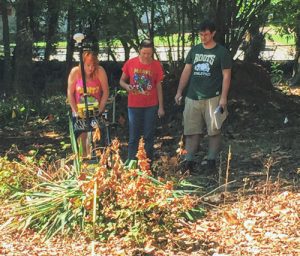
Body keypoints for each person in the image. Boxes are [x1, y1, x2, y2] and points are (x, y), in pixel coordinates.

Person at [174, 20, 232, 174]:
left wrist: (223, 98)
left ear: (213, 33)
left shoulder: (221, 52)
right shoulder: (194, 50)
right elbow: (186, 71)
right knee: (191, 131)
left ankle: (211, 160)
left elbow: (226, 76)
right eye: (201, 34)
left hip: (213, 97)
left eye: (206, 34)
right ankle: (189, 161)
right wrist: (180, 91)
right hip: (192, 96)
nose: (203, 37)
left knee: (214, 130)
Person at [119, 39, 164, 163]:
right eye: (144, 53)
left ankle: (147, 164)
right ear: (139, 51)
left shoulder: (156, 65)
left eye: (149, 54)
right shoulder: (131, 63)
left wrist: (161, 106)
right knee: (134, 136)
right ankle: (131, 162)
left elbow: (159, 86)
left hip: (151, 105)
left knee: (149, 136)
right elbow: (121, 81)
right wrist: (127, 86)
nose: (146, 56)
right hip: (134, 105)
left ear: (152, 52)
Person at [67, 50, 109, 157]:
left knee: (96, 136)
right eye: (88, 65)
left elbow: (106, 92)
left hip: (96, 110)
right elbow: (70, 93)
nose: (91, 68)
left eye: (93, 65)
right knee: (81, 136)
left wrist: (100, 109)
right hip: (79, 111)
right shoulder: (75, 72)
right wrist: (75, 111)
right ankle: (83, 159)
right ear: (82, 64)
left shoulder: (100, 71)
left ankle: (96, 159)